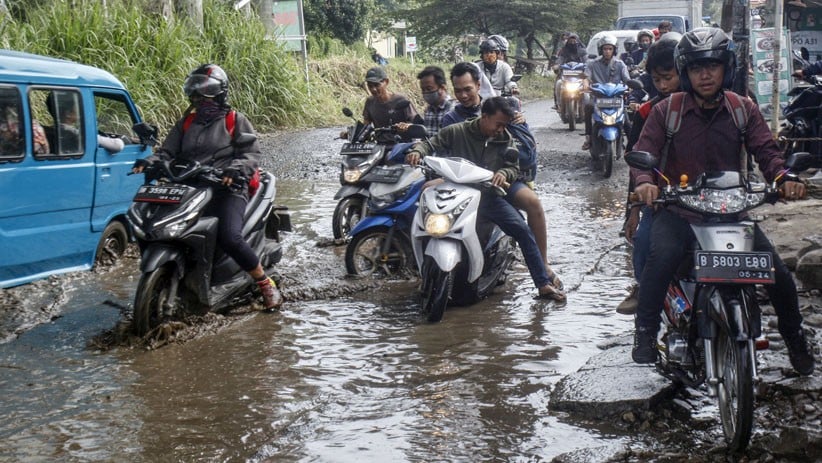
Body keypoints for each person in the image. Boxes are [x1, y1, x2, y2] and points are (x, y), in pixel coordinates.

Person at [630, 28, 815, 376]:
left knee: (780, 278)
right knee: (661, 258)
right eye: (698, 67)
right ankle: (644, 335)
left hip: (732, 211)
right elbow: (644, 152)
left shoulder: (742, 108)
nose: (705, 74)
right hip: (681, 210)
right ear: (686, 70)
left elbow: (766, 151)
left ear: (725, 68)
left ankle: (796, 342)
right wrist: (645, 184)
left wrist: (784, 178)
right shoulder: (666, 111)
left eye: (713, 66)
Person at [131, 64, 282, 310]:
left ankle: (264, 283)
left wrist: (235, 170)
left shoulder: (235, 120)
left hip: (228, 187)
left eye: (205, 94)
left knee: (231, 237)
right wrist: (150, 162)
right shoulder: (186, 123)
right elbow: (167, 152)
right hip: (191, 187)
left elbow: (250, 154)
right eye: (196, 95)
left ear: (220, 94)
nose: (200, 100)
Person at [404, 97, 564, 301]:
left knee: (523, 231)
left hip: (487, 195)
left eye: (504, 125)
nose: (501, 129)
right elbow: (430, 144)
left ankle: (542, 283)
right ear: (484, 117)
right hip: (456, 193)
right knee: (425, 217)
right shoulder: (457, 131)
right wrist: (417, 152)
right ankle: (421, 272)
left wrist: (505, 174)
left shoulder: (505, 138)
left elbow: (513, 167)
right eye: (498, 124)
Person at [439, 62, 564, 295]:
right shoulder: (451, 120)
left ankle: (543, 265)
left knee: (533, 203)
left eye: (468, 89)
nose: (463, 95)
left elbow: (520, 152)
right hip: (467, 182)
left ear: (478, 85)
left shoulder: (504, 111)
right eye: (458, 90)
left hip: (501, 177)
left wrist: (517, 124)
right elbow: (441, 152)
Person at [618, 34, 682, 315]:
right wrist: (633, 210)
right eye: (657, 80)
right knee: (643, 241)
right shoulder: (648, 110)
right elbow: (636, 162)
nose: (664, 85)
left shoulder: (715, 105)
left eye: (669, 77)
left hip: (709, 195)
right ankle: (645, 298)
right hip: (660, 198)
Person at [581, 34, 631, 150]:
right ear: (600, 50)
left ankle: (632, 146)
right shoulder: (593, 64)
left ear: (614, 50)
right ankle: (588, 137)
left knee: (627, 121)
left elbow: (627, 80)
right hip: (599, 99)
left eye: (610, 49)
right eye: (605, 49)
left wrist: (630, 87)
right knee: (588, 107)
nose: (607, 51)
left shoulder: (620, 64)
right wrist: (586, 84)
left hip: (615, 99)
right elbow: (586, 77)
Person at [361, 66, 419, 145]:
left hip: (401, 145)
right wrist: (351, 133)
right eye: (370, 86)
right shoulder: (370, 102)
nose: (373, 89)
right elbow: (365, 126)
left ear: (387, 82)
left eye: (377, 85)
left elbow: (416, 124)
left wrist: (406, 126)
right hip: (380, 145)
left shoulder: (401, 100)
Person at [413, 65, 454, 137]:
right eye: (423, 90)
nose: (425, 92)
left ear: (442, 87)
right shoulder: (428, 111)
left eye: (429, 89)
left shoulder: (453, 110)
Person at [554, 33, 588, 109]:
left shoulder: (582, 51)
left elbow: (587, 62)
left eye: (574, 40)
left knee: (587, 88)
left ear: (577, 41)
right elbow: (560, 60)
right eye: (570, 40)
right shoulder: (563, 51)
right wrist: (557, 65)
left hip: (580, 77)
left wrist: (587, 67)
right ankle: (558, 104)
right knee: (558, 84)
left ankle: (588, 107)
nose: (572, 42)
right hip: (566, 77)